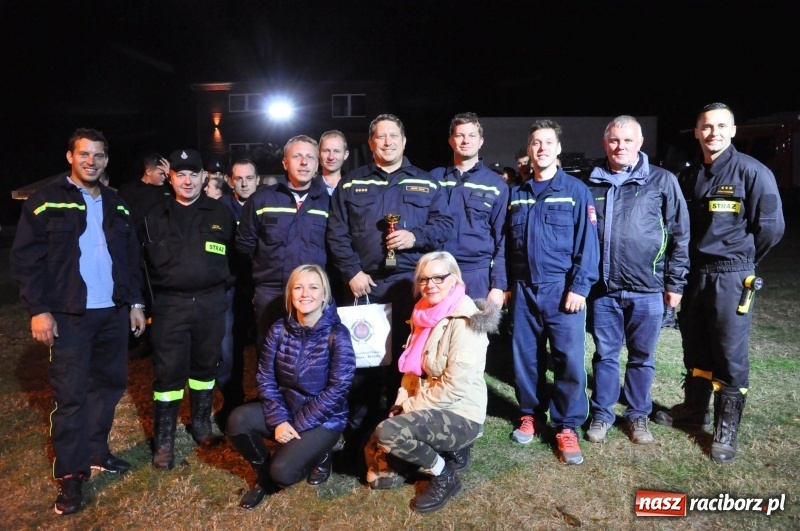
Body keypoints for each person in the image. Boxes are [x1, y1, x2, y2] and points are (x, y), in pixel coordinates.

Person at [10, 128, 146, 515]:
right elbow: (25, 261)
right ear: (70, 156)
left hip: (113, 312)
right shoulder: (45, 201)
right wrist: (39, 309)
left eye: (99, 155)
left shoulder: (118, 204)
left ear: (106, 160)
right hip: (70, 315)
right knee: (70, 396)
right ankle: (71, 475)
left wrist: (135, 303)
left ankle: (97, 452)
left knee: (110, 384)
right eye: (84, 154)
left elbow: (130, 259)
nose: (91, 161)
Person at [654, 103, 785, 463]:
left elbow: (772, 228)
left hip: (732, 275)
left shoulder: (752, 172)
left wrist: (742, 259)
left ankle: (726, 431)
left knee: (729, 353)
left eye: (721, 126)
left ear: (733, 131)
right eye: (706, 127)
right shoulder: (691, 174)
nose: (714, 133)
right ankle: (695, 410)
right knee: (695, 345)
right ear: (697, 132)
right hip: (695, 274)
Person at [327, 113, 454, 438]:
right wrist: (351, 271)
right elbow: (336, 233)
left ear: (404, 141)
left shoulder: (427, 182)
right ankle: (358, 433)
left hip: (411, 290)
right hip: (363, 288)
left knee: (409, 361)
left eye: (393, 136)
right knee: (362, 364)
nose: (387, 142)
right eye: (380, 137)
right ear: (371, 143)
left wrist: (415, 237)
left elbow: (445, 226)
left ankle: (401, 427)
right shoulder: (352, 182)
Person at [365, 251, 500, 513]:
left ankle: (444, 475)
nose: (430, 285)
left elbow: (454, 388)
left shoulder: (466, 322)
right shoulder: (423, 313)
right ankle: (451, 450)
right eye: (424, 279)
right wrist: (401, 404)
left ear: (455, 279)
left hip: (461, 413)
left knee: (389, 433)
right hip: (430, 405)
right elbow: (413, 372)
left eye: (439, 277)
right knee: (376, 476)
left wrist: (409, 409)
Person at [584, 116, 690, 445]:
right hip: (604, 291)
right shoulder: (591, 183)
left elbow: (680, 235)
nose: (621, 147)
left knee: (642, 357)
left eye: (628, 140)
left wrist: (675, 284)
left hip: (649, 289)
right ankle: (602, 414)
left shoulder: (662, 181)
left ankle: (637, 415)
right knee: (605, 355)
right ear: (605, 143)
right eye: (615, 140)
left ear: (639, 143)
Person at [507, 119, 599, 465]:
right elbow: (506, 247)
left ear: (558, 149)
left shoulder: (576, 192)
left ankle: (566, 425)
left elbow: (588, 245)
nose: (542, 148)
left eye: (548, 142)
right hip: (524, 291)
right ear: (529, 150)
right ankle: (530, 414)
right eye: (535, 142)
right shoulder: (518, 194)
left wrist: (579, 286)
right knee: (525, 359)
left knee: (568, 360)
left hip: (563, 291)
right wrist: (507, 287)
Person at [226, 264, 356, 509]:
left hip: (323, 419)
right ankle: (264, 479)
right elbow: (265, 377)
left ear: (324, 295)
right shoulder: (278, 330)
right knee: (237, 420)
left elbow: (338, 390)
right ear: (290, 294)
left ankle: (322, 453)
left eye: (313, 287)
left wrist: (294, 425)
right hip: (286, 409)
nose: (305, 293)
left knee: (284, 473)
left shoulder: (337, 335)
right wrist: (279, 420)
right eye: (298, 287)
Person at [141, 148, 236, 470]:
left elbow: (235, 257)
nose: (187, 180)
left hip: (210, 302)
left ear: (203, 177)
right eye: (180, 174)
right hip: (170, 305)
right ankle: (164, 441)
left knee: (206, 367)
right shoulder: (154, 216)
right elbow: (140, 264)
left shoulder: (221, 213)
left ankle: (200, 425)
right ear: (170, 178)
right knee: (168, 372)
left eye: (193, 174)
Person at [236, 136, 330, 350]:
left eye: (309, 157)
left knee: (310, 353)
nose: (304, 162)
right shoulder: (261, 200)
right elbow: (245, 245)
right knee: (269, 350)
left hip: (312, 294)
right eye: (297, 156)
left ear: (317, 164)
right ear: (285, 163)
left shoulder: (328, 203)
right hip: (271, 292)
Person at [429, 112, 508, 306]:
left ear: (481, 141)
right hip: (438, 273)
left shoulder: (496, 184)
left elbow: (503, 240)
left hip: (477, 275)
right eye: (460, 135)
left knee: (474, 333)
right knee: (436, 333)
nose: (466, 141)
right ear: (450, 140)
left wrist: (498, 286)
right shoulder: (432, 179)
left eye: (472, 135)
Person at [117, 152, 173, 228]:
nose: (164, 177)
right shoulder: (129, 190)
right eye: (161, 174)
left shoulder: (168, 190)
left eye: (165, 174)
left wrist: (170, 176)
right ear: (148, 172)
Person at [318, 130, 350, 195]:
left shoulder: (353, 186)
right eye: (326, 151)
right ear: (318, 153)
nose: (331, 157)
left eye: (336, 151)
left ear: (345, 155)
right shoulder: (308, 186)